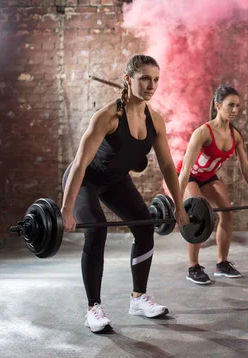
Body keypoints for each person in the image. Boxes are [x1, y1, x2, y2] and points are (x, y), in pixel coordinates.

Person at [61, 54, 190, 333]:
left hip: (115, 180)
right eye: (144, 78)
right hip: (85, 179)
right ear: (128, 79)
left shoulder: (155, 121)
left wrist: (179, 206)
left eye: (155, 79)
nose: (151, 85)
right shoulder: (107, 116)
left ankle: (138, 299)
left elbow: (167, 165)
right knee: (97, 229)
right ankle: (93, 308)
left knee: (145, 227)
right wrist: (66, 209)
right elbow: (81, 163)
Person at [177, 85, 248, 285]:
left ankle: (221, 264)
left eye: (237, 106)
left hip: (207, 176)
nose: (234, 110)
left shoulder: (235, 135)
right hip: (188, 176)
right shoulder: (203, 132)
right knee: (198, 214)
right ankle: (193, 267)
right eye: (230, 105)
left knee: (227, 213)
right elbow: (186, 168)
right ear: (217, 105)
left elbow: (245, 167)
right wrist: (178, 205)